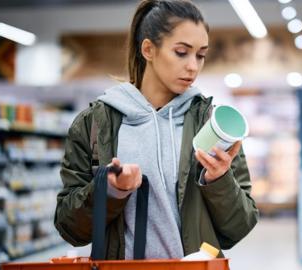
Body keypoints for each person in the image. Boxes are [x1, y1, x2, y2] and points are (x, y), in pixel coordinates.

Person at [54, 0, 258, 260]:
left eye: (201, 55)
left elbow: (239, 227)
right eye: (182, 52)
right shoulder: (94, 124)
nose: (193, 66)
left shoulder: (211, 124)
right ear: (148, 49)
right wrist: (111, 190)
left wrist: (218, 181)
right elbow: (70, 228)